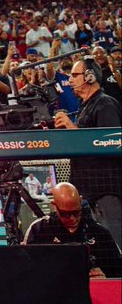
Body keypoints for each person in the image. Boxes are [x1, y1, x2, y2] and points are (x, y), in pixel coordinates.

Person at [54, 56, 122, 251]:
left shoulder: (105, 104)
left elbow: (111, 144)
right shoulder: (85, 106)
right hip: (91, 192)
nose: (71, 80)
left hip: (107, 191)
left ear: (90, 77)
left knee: (117, 245)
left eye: (75, 75)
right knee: (105, 249)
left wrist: (71, 127)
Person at [23, 182, 121, 278]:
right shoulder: (39, 230)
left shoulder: (99, 232)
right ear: (54, 206)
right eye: (65, 214)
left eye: (77, 212)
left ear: (80, 201)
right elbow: (26, 272)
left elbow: (117, 271)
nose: (72, 219)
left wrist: (106, 279)